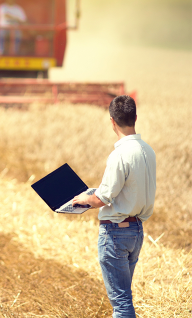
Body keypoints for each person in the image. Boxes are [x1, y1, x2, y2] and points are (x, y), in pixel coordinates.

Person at [72, 95, 156, 318]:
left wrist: (84, 199)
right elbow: (128, 188)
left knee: (121, 304)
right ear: (135, 118)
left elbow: (103, 199)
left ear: (112, 121)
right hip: (136, 232)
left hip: (115, 234)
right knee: (124, 297)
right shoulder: (148, 151)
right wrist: (94, 193)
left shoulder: (119, 155)